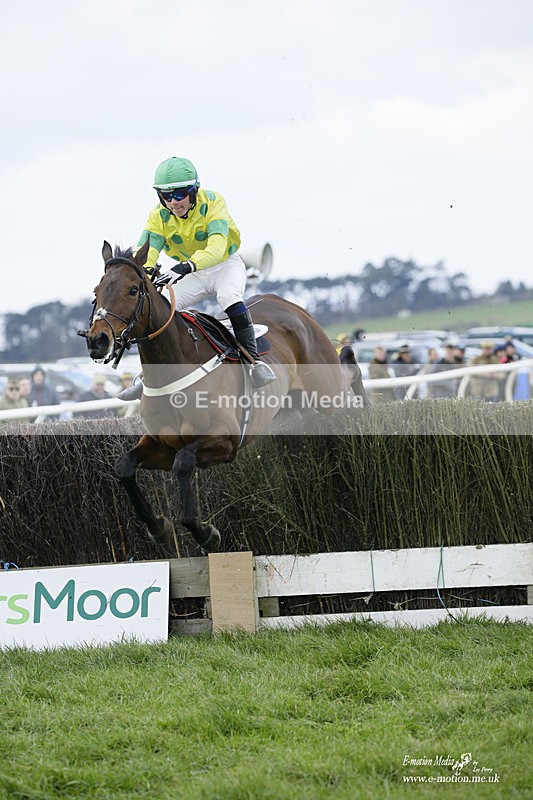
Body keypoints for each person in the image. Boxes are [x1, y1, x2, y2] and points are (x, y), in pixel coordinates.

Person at [119, 156, 275, 400]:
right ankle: (147, 376)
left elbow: (216, 246)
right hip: (191, 271)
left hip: (224, 264)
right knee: (158, 309)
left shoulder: (213, 202)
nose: (173, 202)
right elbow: (147, 251)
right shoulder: (158, 215)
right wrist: (145, 272)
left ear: (193, 191)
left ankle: (255, 364)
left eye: (179, 194)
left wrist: (187, 266)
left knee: (229, 297)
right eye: (166, 196)